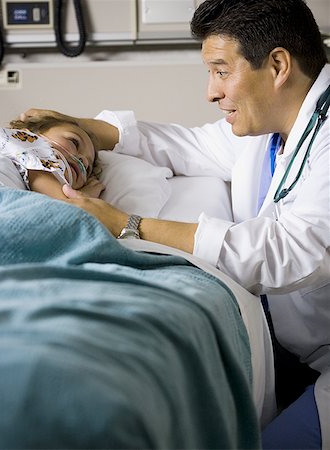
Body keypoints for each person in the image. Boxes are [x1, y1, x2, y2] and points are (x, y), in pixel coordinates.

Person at [21, 0, 329, 448]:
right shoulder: (270, 125)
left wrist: (128, 224)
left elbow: (291, 250)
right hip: (293, 345)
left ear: (278, 64)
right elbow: (192, 146)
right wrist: (84, 131)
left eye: (221, 71)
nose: (211, 92)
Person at [0, 116, 105, 200]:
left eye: (88, 168)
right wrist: (87, 198)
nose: (83, 161)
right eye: (74, 142)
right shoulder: (31, 145)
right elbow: (64, 211)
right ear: (28, 131)